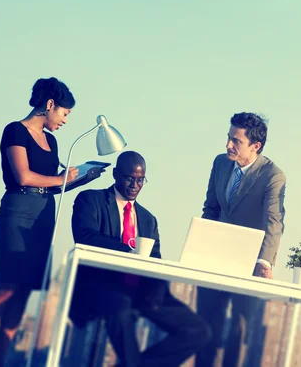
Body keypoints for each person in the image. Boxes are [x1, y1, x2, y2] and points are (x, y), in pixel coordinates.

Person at [0, 77, 103, 367]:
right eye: (64, 113)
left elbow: (53, 185)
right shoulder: (15, 131)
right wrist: (62, 178)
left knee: (26, 287)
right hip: (18, 209)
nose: (65, 121)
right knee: (8, 283)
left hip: (44, 213)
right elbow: (23, 176)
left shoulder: (51, 141)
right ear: (50, 105)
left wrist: (80, 178)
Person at [70, 151, 211, 367]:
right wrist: (128, 251)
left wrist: (157, 289)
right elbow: (85, 237)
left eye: (140, 180)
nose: (135, 185)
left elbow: (155, 260)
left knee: (198, 331)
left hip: (141, 290)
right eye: (129, 178)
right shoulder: (91, 200)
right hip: (104, 286)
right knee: (120, 310)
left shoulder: (148, 219)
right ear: (116, 175)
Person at [195, 112, 286, 367]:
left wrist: (264, 263)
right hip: (214, 257)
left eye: (236, 141)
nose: (228, 145)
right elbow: (211, 208)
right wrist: (200, 247)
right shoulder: (220, 163)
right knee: (206, 325)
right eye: (228, 138)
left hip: (249, 263)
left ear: (255, 146)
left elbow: (274, 222)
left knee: (240, 331)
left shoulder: (272, 176)